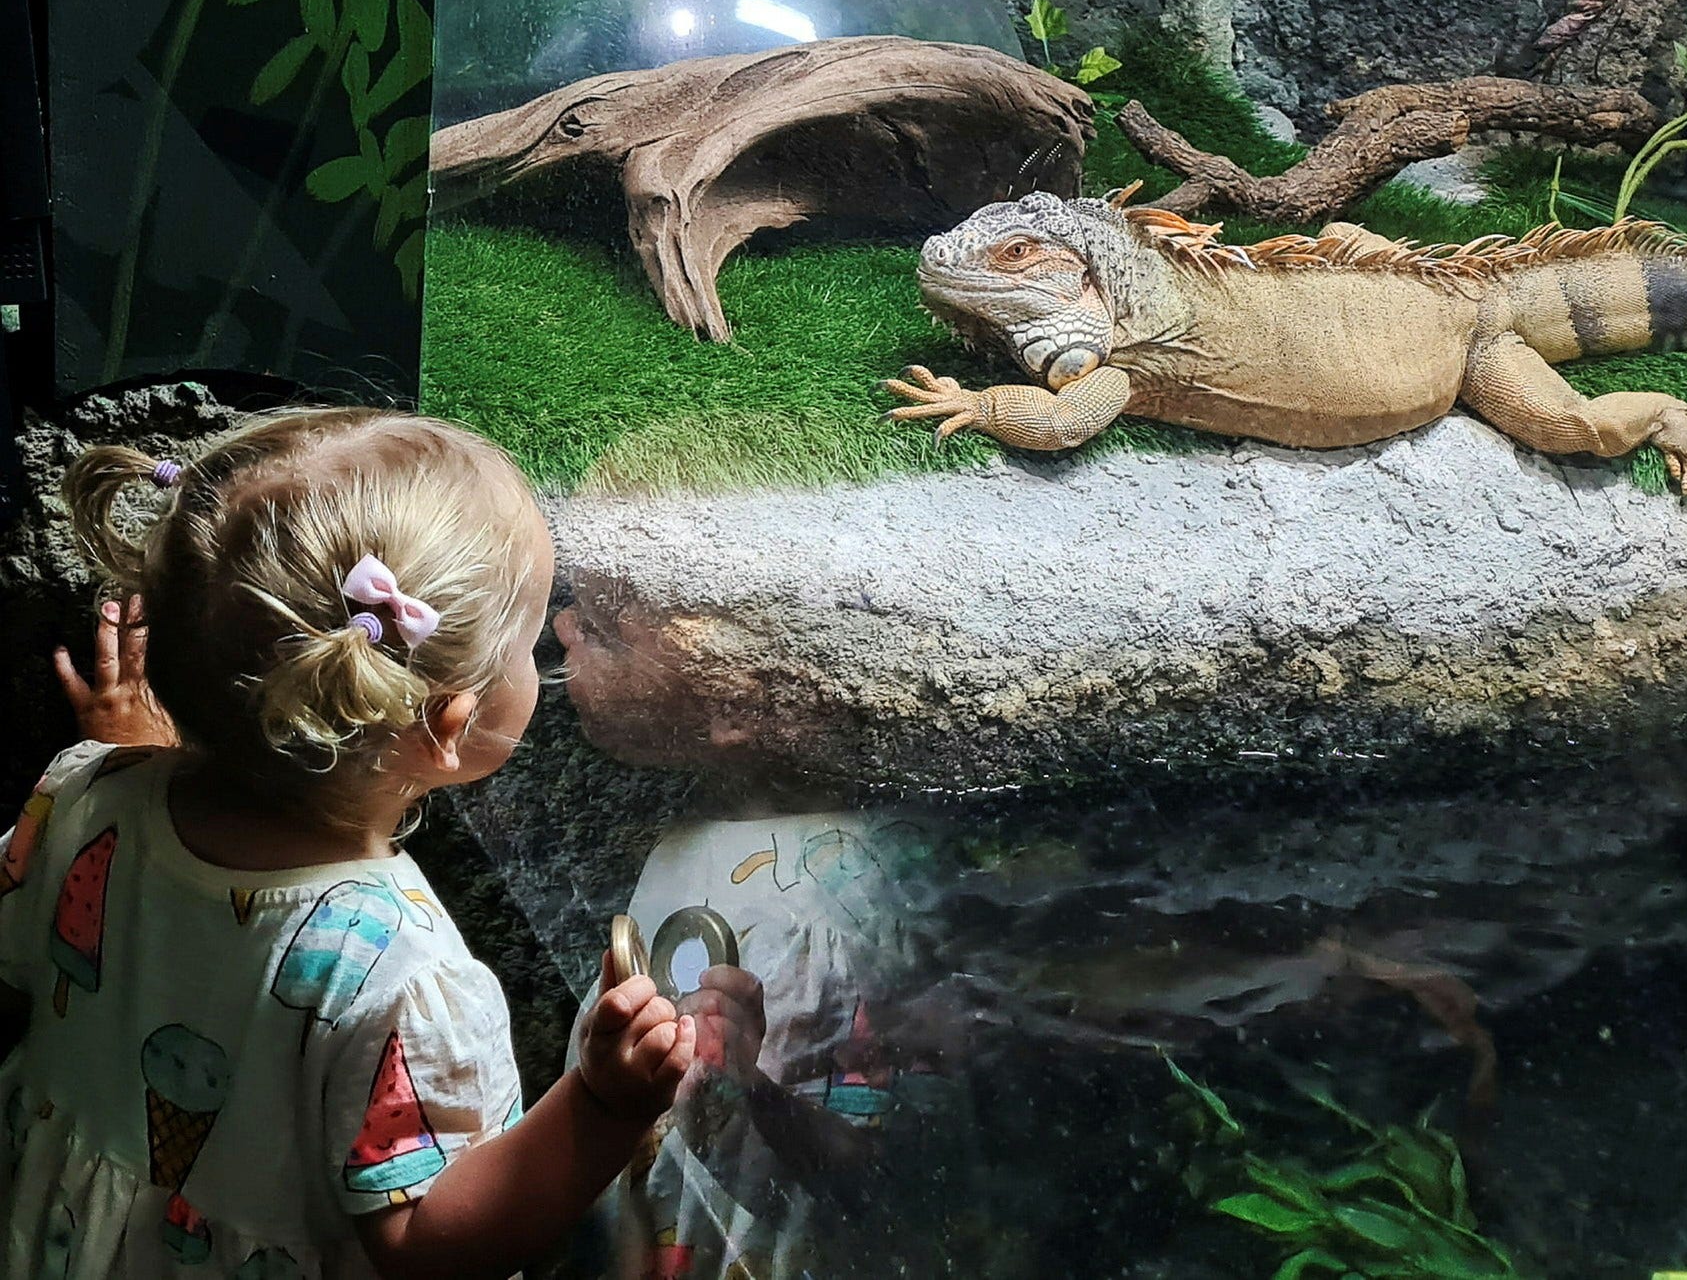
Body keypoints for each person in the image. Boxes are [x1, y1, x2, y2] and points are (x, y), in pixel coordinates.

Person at [0, 408, 694, 1279]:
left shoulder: (76, 792)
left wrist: (137, 753)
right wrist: (599, 1108)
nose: (543, 652)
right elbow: (422, 1245)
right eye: (523, 643)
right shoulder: (398, 975)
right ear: (449, 724)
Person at [555, 609, 982, 1280]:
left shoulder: (852, 899)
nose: (563, 625)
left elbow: (874, 1174)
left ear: (731, 708)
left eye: (604, 628)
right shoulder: (700, 835)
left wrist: (742, 1084)